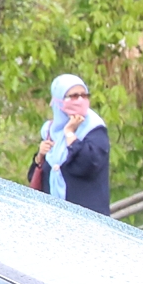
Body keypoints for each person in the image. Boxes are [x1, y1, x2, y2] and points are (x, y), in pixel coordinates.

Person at [30, 76, 109, 214]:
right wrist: (40, 156)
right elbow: (36, 178)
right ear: (58, 100)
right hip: (54, 219)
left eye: (84, 95)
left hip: (88, 222)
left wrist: (70, 135)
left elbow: (89, 165)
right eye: (73, 96)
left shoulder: (94, 130)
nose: (79, 100)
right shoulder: (50, 132)